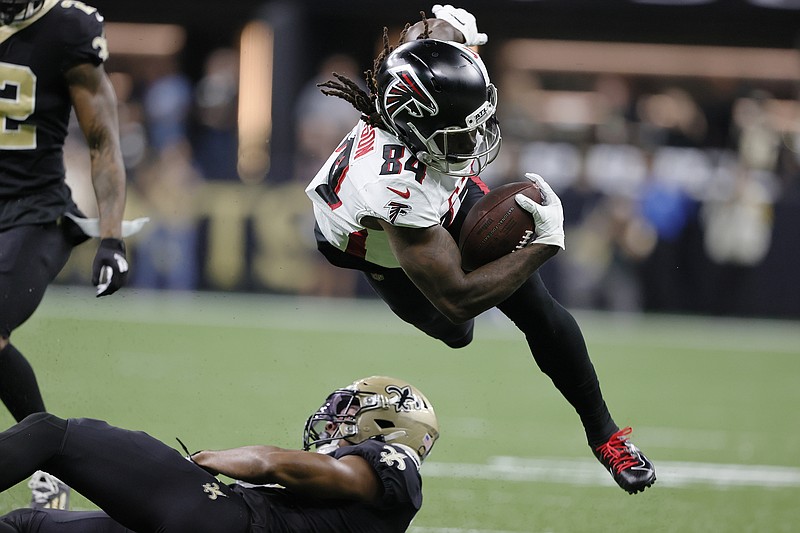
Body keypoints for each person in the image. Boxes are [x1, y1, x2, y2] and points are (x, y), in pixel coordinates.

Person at [305, 5, 656, 494]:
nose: (474, 137)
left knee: (537, 308)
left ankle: (607, 437)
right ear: (418, 127)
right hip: (371, 242)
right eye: (460, 129)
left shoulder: (429, 89)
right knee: (457, 330)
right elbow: (460, 299)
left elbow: (424, 36)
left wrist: (443, 32)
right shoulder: (393, 188)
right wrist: (543, 246)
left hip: (432, 187)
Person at [0, 375, 439, 533]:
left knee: (49, 434)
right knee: (24, 525)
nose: (336, 420)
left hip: (225, 520)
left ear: (386, 425)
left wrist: (237, 460)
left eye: (351, 411)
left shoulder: (394, 470)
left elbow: (286, 466)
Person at [1, 0, 131, 508]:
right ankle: (45, 459)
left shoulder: (66, 27)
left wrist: (112, 235)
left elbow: (102, 138)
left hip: (35, 213)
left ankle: (42, 461)